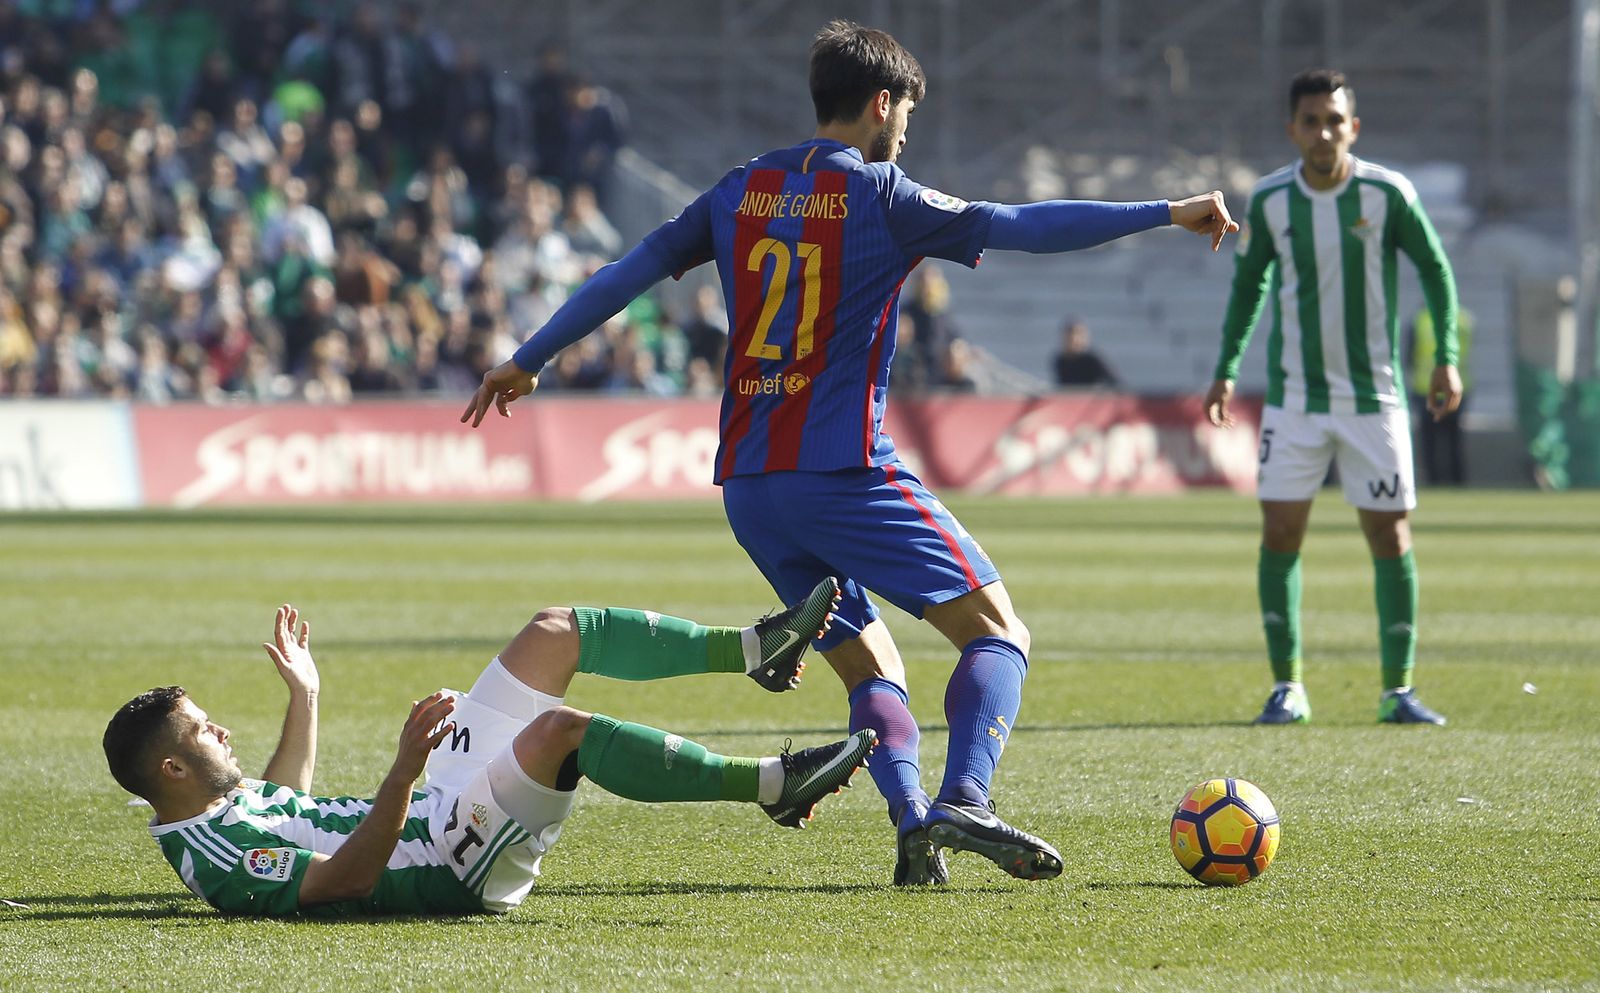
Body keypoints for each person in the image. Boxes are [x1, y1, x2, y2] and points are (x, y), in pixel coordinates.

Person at [461, 20, 1237, 886]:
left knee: (872, 663)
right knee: (998, 632)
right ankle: (966, 796)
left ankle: (914, 828)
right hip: (842, 471)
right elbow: (1022, 224)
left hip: (751, 488)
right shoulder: (882, 194)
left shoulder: (738, 190)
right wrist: (1165, 211)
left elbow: (626, 273)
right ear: (880, 104)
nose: (905, 130)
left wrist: (528, 358)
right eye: (904, 111)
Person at [104, 583, 874, 917]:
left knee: (553, 630)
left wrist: (304, 696)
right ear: (170, 769)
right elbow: (344, 879)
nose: (221, 729)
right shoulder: (216, 858)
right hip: (450, 860)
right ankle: (776, 785)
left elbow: (285, 801)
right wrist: (403, 770)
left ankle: (755, 648)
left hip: (438, 806)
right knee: (560, 731)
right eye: (205, 730)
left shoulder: (217, 809)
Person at [1203, 68, 1463, 727]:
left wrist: (1448, 358)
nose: (1324, 132)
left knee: (1390, 534)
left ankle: (1397, 689)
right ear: (1293, 129)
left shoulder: (1387, 193)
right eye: (1311, 120)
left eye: (1335, 119)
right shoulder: (1269, 201)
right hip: (1295, 401)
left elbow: (1434, 268)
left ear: (1354, 126)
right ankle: (1287, 686)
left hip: (1375, 399)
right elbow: (1248, 288)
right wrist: (1228, 366)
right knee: (1281, 531)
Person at [1408, 305, 1474, 485]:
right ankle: (1457, 480)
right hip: (1456, 386)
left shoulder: (1420, 320)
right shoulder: (1463, 318)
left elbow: (1409, 355)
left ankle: (1434, 480)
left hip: (1426, 388)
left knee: (1431, 440)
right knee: (1453, 439)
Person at [1052, 318, 1119, 388]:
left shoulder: (1092, 359)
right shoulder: (1059, 360)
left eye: (1077, 334)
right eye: (1069, 335)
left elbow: (1115, 382)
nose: (1073, 338)